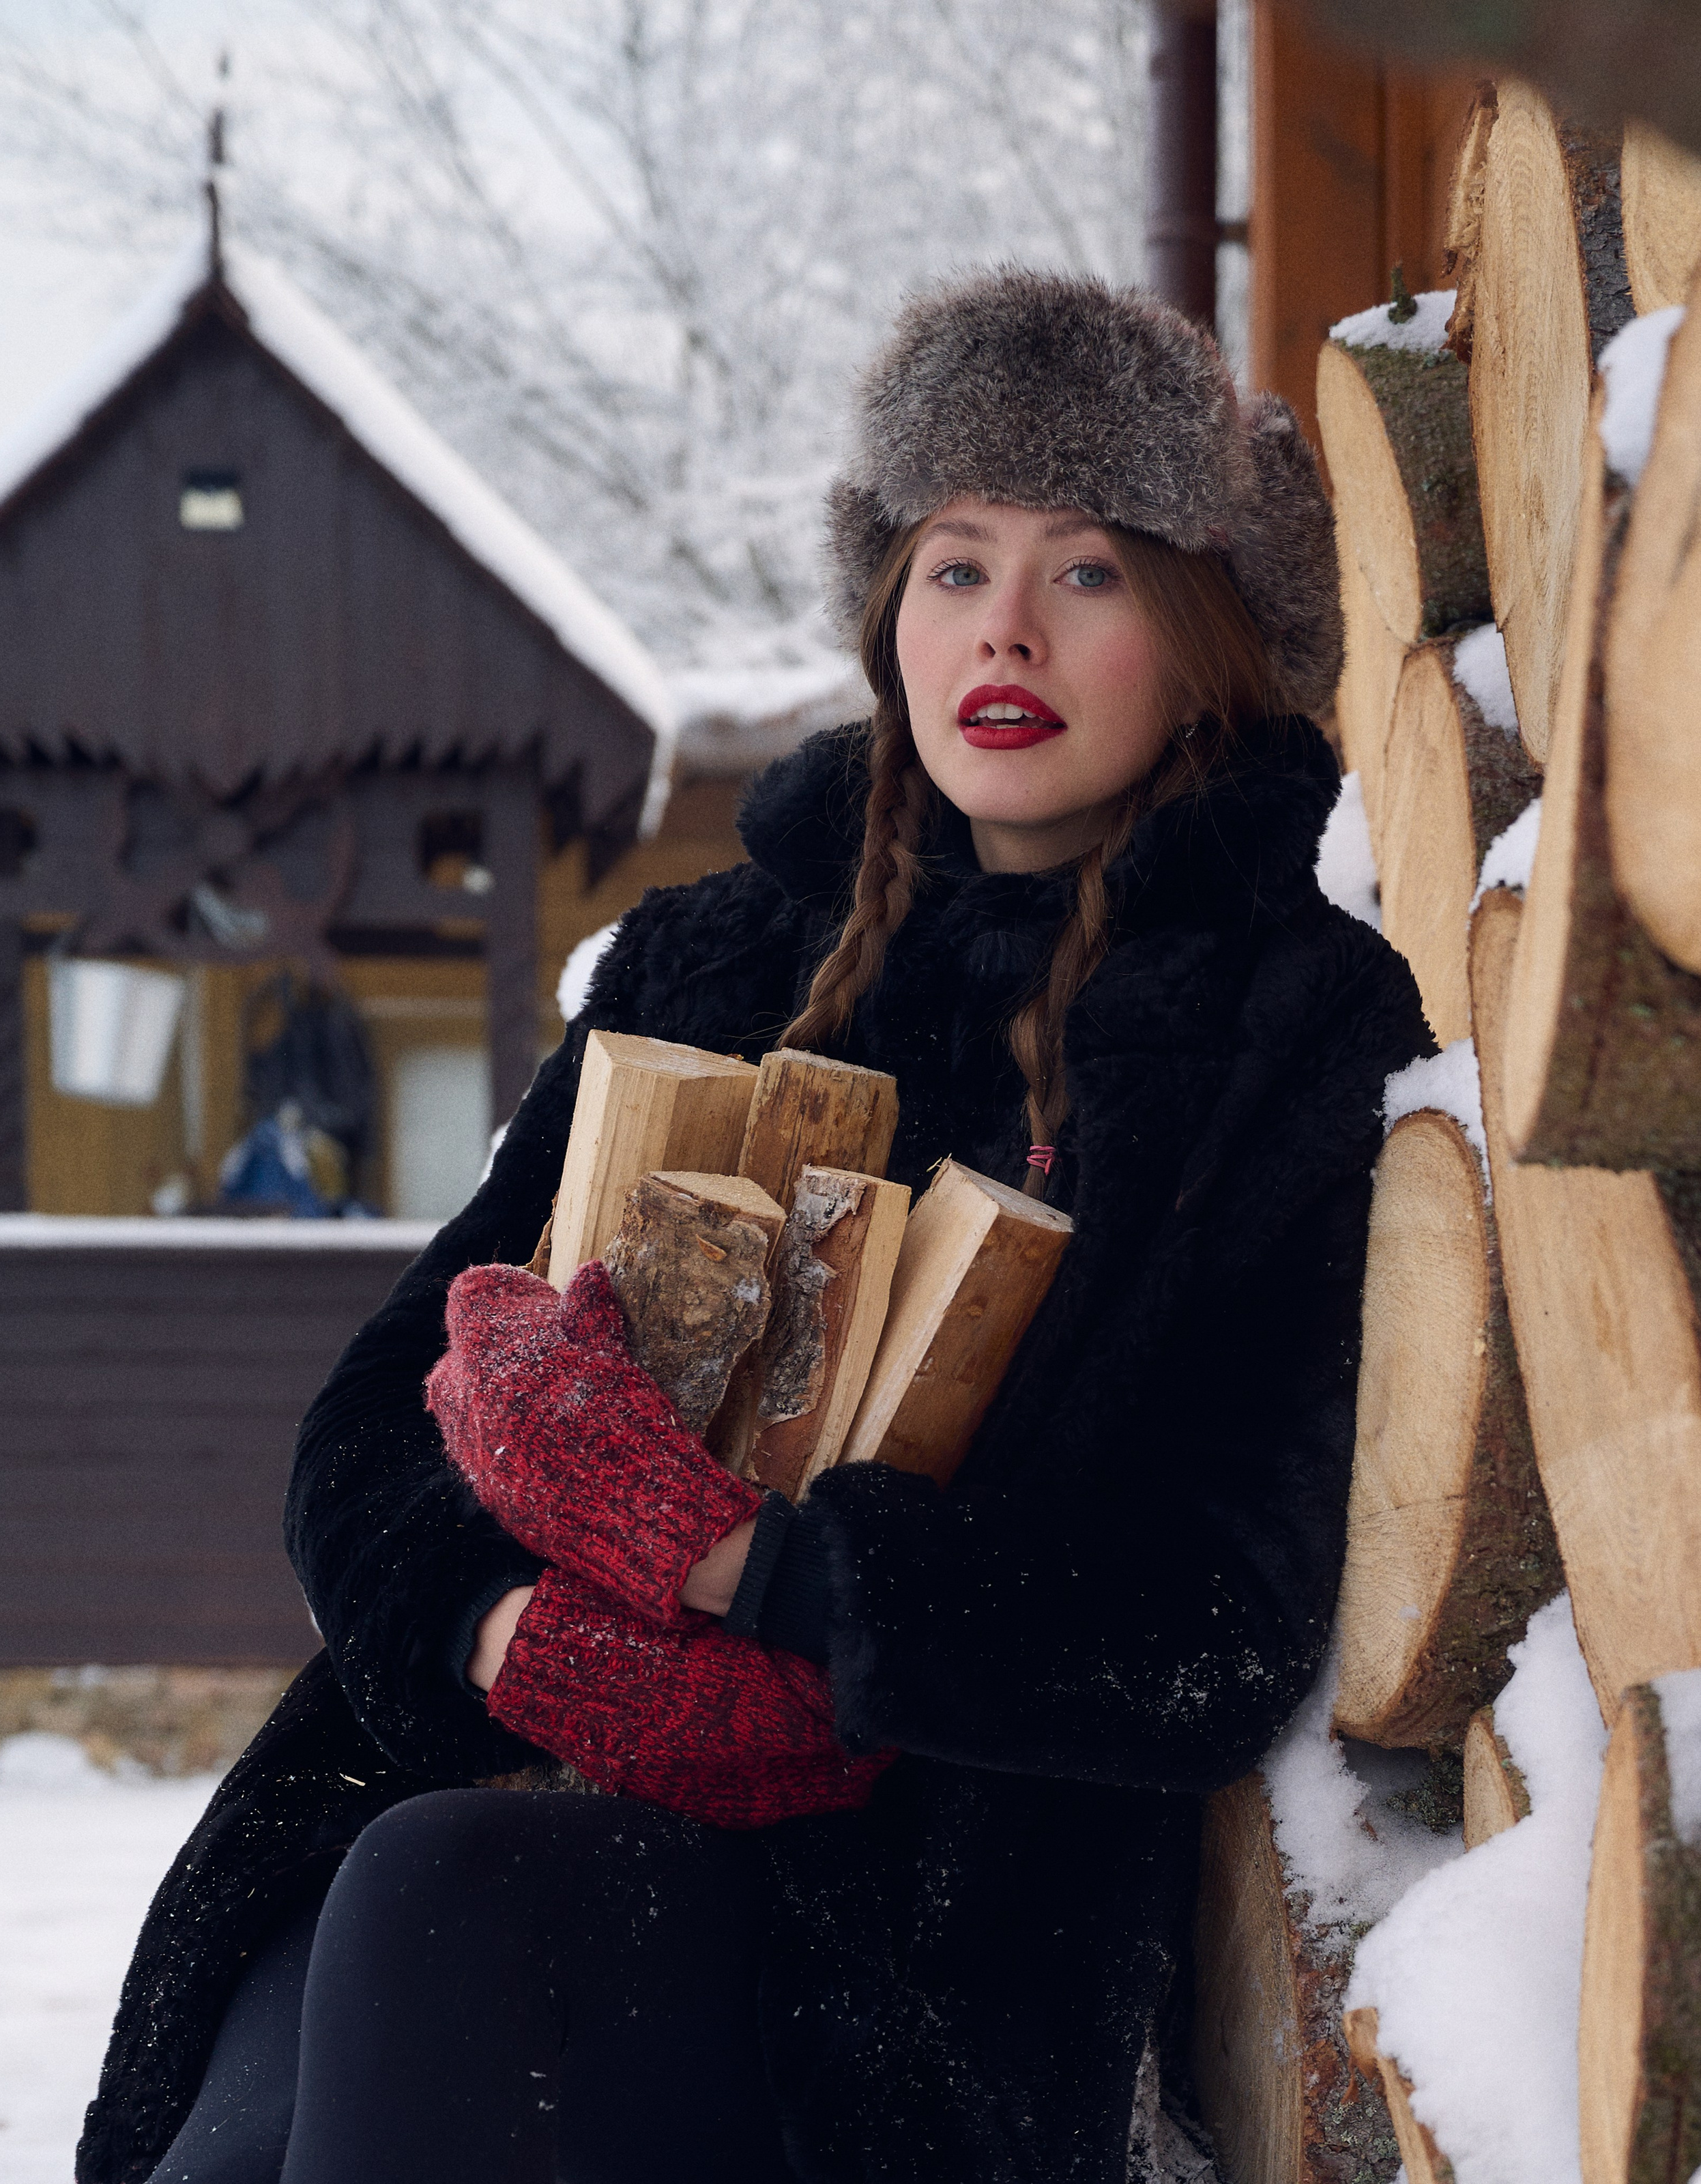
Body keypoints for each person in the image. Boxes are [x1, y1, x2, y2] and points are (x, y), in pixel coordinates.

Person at [79, 268, 1430, 2184]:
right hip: (487, 1769)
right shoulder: (718, 956)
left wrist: (766, 1580)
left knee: (450, 1913)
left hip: (896, 1909)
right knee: (284, 2067)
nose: (1007, 629)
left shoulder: (1290, 1030)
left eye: (1091, 571)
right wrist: (503, 1630)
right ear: (887, 607)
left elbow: (1213, 1618)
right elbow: (373, 1429)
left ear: (1212, 629)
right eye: (954, 565)